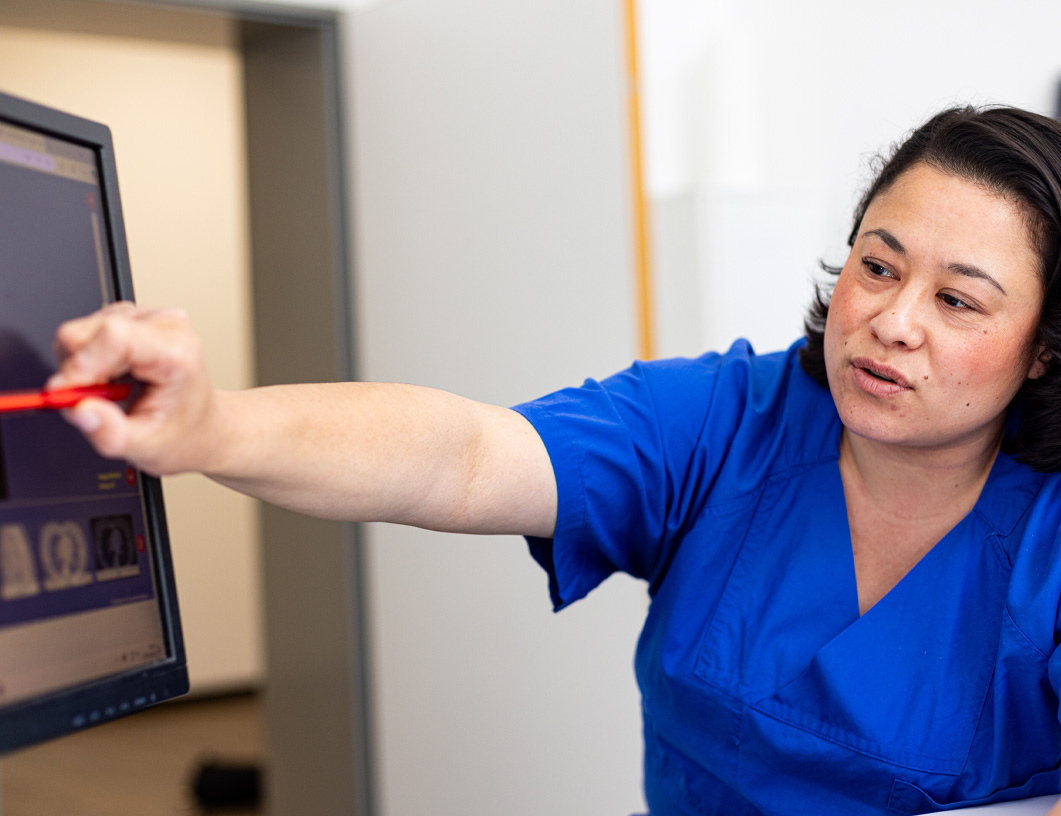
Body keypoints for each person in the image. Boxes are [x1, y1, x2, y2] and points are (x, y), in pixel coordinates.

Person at [46, 105, 1061, 815]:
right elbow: (464, 456)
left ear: (1043, 347)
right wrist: (210, 427)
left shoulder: (1042, 539)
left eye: (956, 300)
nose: (890, 320)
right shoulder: (727, 421)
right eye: (876, 265)